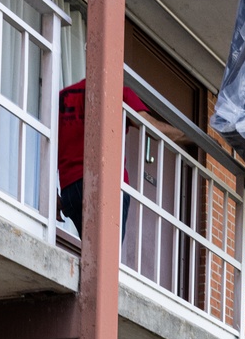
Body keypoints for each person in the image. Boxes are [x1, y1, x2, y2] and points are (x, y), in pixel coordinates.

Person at [57, 78, 185, 237]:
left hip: (70, 189)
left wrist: (51, 192)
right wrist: (188, 138)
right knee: (108, 253)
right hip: (106, 184)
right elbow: (152, 127)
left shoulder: (62, 97)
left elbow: (48, 141)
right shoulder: (118, 92)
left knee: (92, 248)